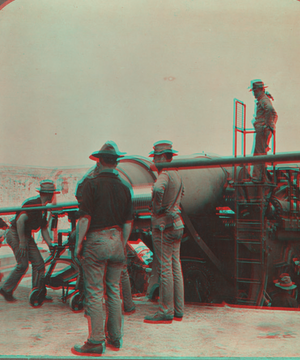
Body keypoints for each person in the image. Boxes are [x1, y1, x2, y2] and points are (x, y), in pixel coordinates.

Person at [72, 141, 133, 356]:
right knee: (114, 291)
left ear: (99, 161)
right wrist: (121, 244)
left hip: (96, 241)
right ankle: (116, 338)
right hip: (117, 239)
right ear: (116, 162)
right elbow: (128, 223)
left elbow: (84, 218)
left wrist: (79, 244)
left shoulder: (91, 183)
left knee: (95, 292)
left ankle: (96, 341)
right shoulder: (125, 187)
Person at [144, 140, 185, 323]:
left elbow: (158, 189)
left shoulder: (165, 174)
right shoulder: (177, 174)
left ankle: (165, 311)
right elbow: (182, 195)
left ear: (161, 157)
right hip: (177, 223)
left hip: (163, 225)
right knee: (176, 266)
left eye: (155, 157)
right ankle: (178, 309)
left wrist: (158, 207)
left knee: (165, 268)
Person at [0, 180, 58, 302]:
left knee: (39, 264)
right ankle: (6, 289)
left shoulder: (43, 208)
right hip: (16, 233)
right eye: (52, 193)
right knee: (23, 264)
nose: (53, 195)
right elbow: (21, 220)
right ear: (48, 194)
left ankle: (38, 293)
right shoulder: (33, 203)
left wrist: (50, 244)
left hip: (25, 235)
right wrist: (22, 242)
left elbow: (43, 229)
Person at [250, 80, 278, 183]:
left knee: (258, 153)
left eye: (255, 90)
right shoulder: (264, 98)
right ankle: (262, 177)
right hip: (264, 130)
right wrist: (271, 126)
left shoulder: (263, 99)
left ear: (260, 90)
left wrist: (266, 125)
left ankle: (258, 177)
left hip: (262, 130)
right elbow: (274, 114)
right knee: (261, 152)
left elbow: (269, 108)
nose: (253, 93)